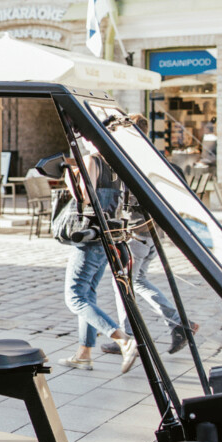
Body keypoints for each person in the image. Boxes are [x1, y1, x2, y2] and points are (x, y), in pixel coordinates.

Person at [101, 115, 198, 364]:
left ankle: (128, 336)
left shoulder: (131, 162)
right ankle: (179, 323)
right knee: (138, 280)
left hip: (137, 233)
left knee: (122, 283)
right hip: (153, 234)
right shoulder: (158, 160)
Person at [57, 137, 139, 372]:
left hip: (90, 235)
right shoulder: (116, 164)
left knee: (75, 297)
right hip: (108, 235)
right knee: (88, 293)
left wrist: (70, 177)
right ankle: (84, 354)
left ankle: (123, 339)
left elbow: (84, 197)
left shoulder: (92, 160)